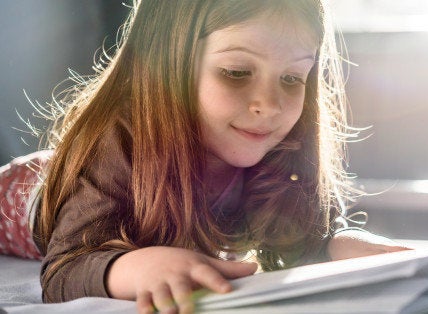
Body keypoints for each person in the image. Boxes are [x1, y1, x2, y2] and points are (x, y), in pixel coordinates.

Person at [0, 0, 407, 313]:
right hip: (24, 187)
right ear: (167, 65)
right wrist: (136, 267)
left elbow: (303, 235)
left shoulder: (278, 145)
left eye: (292, 78)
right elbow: (65, 270)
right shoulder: (113, 144)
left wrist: (340, 242)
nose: (270, 104)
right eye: (235, 72)